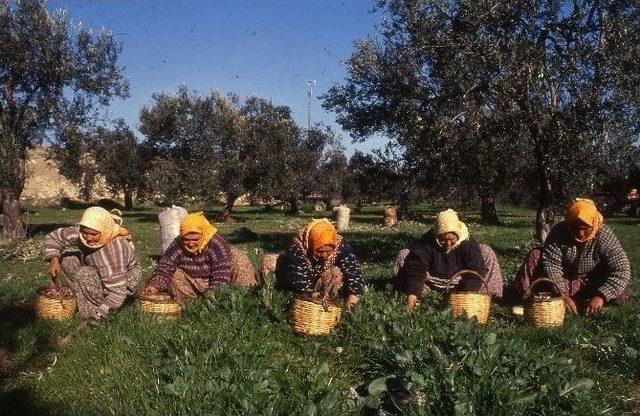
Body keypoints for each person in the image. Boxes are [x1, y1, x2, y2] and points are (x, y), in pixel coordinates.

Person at [511, 198, 631, 314]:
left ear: (594, 223)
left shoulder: (604, 235)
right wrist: (563, 295)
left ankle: (591, 301)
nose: (580, 233)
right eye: (576, 228)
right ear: (569, 222)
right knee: (536, 255)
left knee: (620, 291)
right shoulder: (559, 233)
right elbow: (552, 266)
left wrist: (601, 296)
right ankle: (523, 297)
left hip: (590, 280)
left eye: (585, 229)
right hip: (564, 279)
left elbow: (621, 269)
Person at [43, 206, 143, 319]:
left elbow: (118, 292)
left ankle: (92, 310)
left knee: (84, 273)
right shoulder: (83, 232)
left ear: (104, 230)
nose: (88, 238)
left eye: (94, 235)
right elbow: (54, 237)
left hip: (123, 284)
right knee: (68, 260)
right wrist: (54, 260)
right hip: (101, 270)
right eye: (85, 233)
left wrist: (101, 313)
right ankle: (81, 296)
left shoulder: (113, 251)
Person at [394, 209, 503, 310]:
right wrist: (412, 295)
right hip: (432, 283)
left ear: (458, 234)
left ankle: (485, 297)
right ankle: (419, 296)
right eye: (442, 240)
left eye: (451, 239)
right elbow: (417, 269)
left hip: (460, 283)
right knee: (404, 255)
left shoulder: (468, 242)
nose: (448, 244)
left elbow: (475, 271)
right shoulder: (426, 241)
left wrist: (464, 295)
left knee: (486, 251)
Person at [143, 212, 255, 299]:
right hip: (195, 280)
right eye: (186, 239)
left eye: (195, 239)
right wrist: (155, 286)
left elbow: (221, 277)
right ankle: (192, 300)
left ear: (204, 234)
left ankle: (243, 295)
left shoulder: (217, 245)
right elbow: (165, 268)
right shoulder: (177, 244)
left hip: (222, 279)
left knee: (239, 259)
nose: (191, 244)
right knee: (173, 276)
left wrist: (212, 299)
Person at [264, 219, 365, 311]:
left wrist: (353, 295)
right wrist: (310, 297)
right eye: (320, 251)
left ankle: (329, 296)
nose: (325, 255)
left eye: (329, 251)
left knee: (337, 273)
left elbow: (353, 270)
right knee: (270, 262)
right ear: (311, 244)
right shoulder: (298, 247)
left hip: (321, 279)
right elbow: (298, 278)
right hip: (294, 279)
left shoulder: (340, 245)